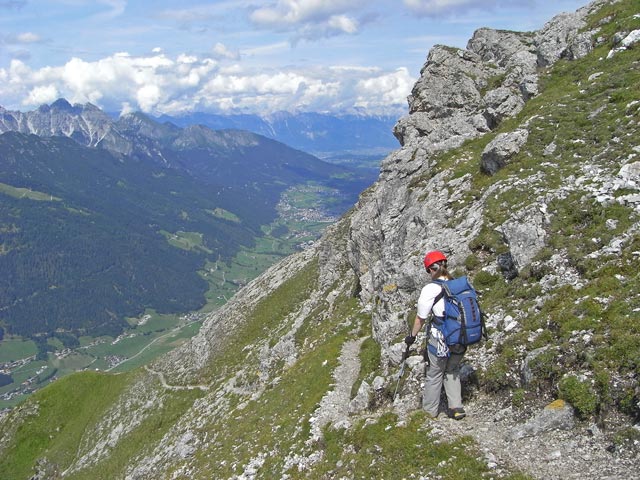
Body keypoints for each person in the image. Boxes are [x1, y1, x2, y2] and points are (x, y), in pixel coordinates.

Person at [404, 250, 466, 420]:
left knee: (435, 373)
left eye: (428, 270)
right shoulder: (459, 285)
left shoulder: (430, 289)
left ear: (432, 268)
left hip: (441, 338)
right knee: (452, 369)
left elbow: (420, 318)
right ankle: (456, 407)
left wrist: (412, 336)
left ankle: (430, 411)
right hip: (462, 336)